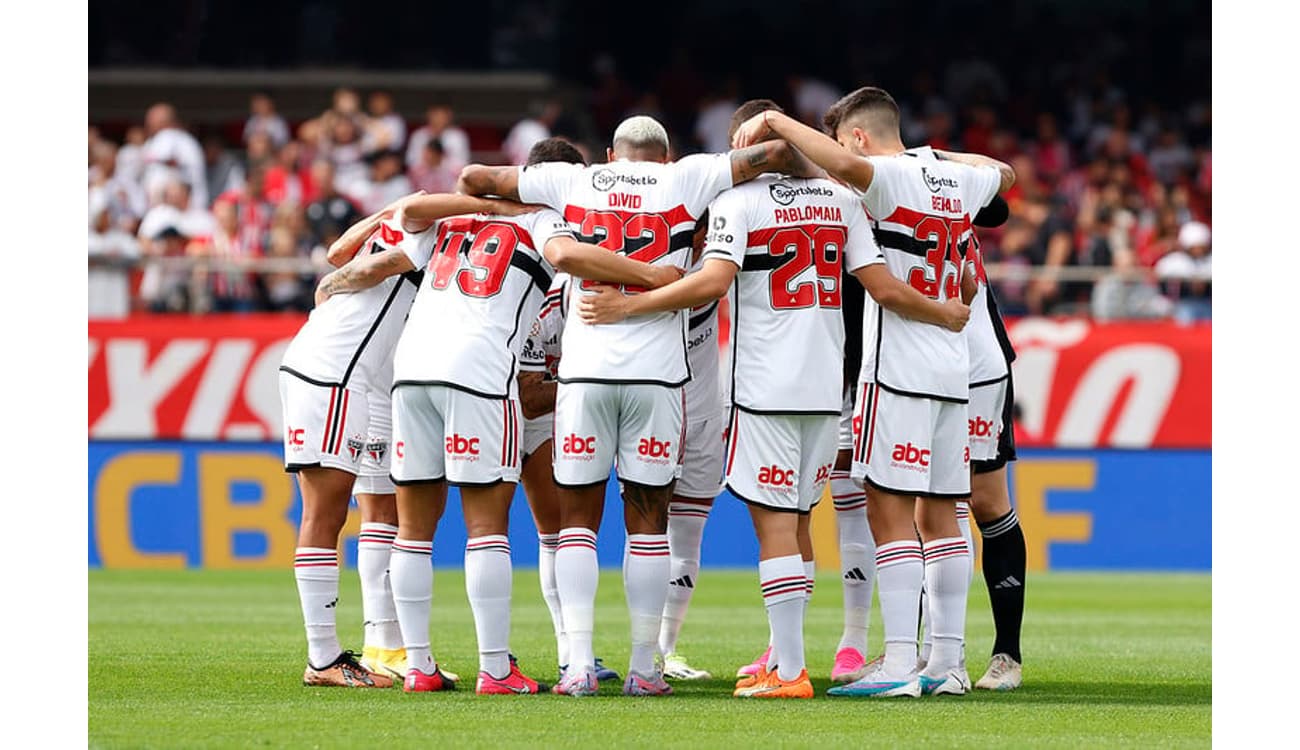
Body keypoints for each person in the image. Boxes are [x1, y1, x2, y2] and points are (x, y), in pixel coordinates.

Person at [579, 99, 970, 699]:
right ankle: (798, 658)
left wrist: (626, 305)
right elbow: (885, 286)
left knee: (776, 528)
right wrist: (946, 313)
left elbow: (710, 283)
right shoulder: (844, 204)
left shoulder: (737, 202)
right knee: (800, 520)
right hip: (825, 391)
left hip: (764, 388)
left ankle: (788, 670)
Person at [457, 113, 817, 697]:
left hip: (584, 373)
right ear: (667, 155)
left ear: (609, 153)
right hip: (658, 376)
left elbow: (475, 177)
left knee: (577, 524)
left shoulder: (570, 181)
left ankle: (576, 665)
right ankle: (646, 667)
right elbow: (776, 156)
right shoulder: (690, 177)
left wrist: (530, 206)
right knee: (649, 527)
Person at [331, 145, 681, 696]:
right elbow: (568, 259)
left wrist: (475, 205)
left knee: (415, 529)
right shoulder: (544, 218)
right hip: (478, 371)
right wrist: (649, 274)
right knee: (486, 526)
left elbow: (408, 215)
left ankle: (418, 665)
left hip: (412, 370)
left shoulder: (450, 218)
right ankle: (495, 668)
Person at [733, 86, 1014, 698]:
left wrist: (777, 120)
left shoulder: (883, 179)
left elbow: (845, 169)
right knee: (943, 518)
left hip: (898, 373)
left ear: (858, 138)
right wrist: (938, 157)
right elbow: (1005, 173)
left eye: (842, 141)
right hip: (953, 371)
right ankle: (947, 664)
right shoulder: (955, 181)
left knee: (891, 518)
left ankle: (897, 664)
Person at [281, 191, 519, 688]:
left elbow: (337, 253)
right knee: (325, 513)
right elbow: (353, 267)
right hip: (336, 371)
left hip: (365, 379)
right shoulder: (430, 234)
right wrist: (337, 280)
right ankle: (323, 658)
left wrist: (379, 221)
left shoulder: (401, 225)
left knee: (379, 509)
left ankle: (381, 644)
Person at [658, 211, 724, 682]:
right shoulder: (647, 262)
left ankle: (665, 651)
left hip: (702, 415)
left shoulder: (722, 263)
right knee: (647, 537)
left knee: (685, 542)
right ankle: (645, 653)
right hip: (653, 412)